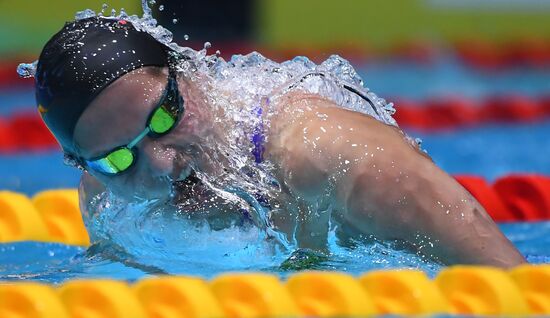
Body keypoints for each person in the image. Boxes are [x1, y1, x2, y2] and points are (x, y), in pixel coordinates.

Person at [34, 16, 526, 267]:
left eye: (164, 119)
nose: (160, 166)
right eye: (120, 159)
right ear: (82, 163)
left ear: (192, 77)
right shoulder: (105, 198)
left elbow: (513, 287)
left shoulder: (328, 154)